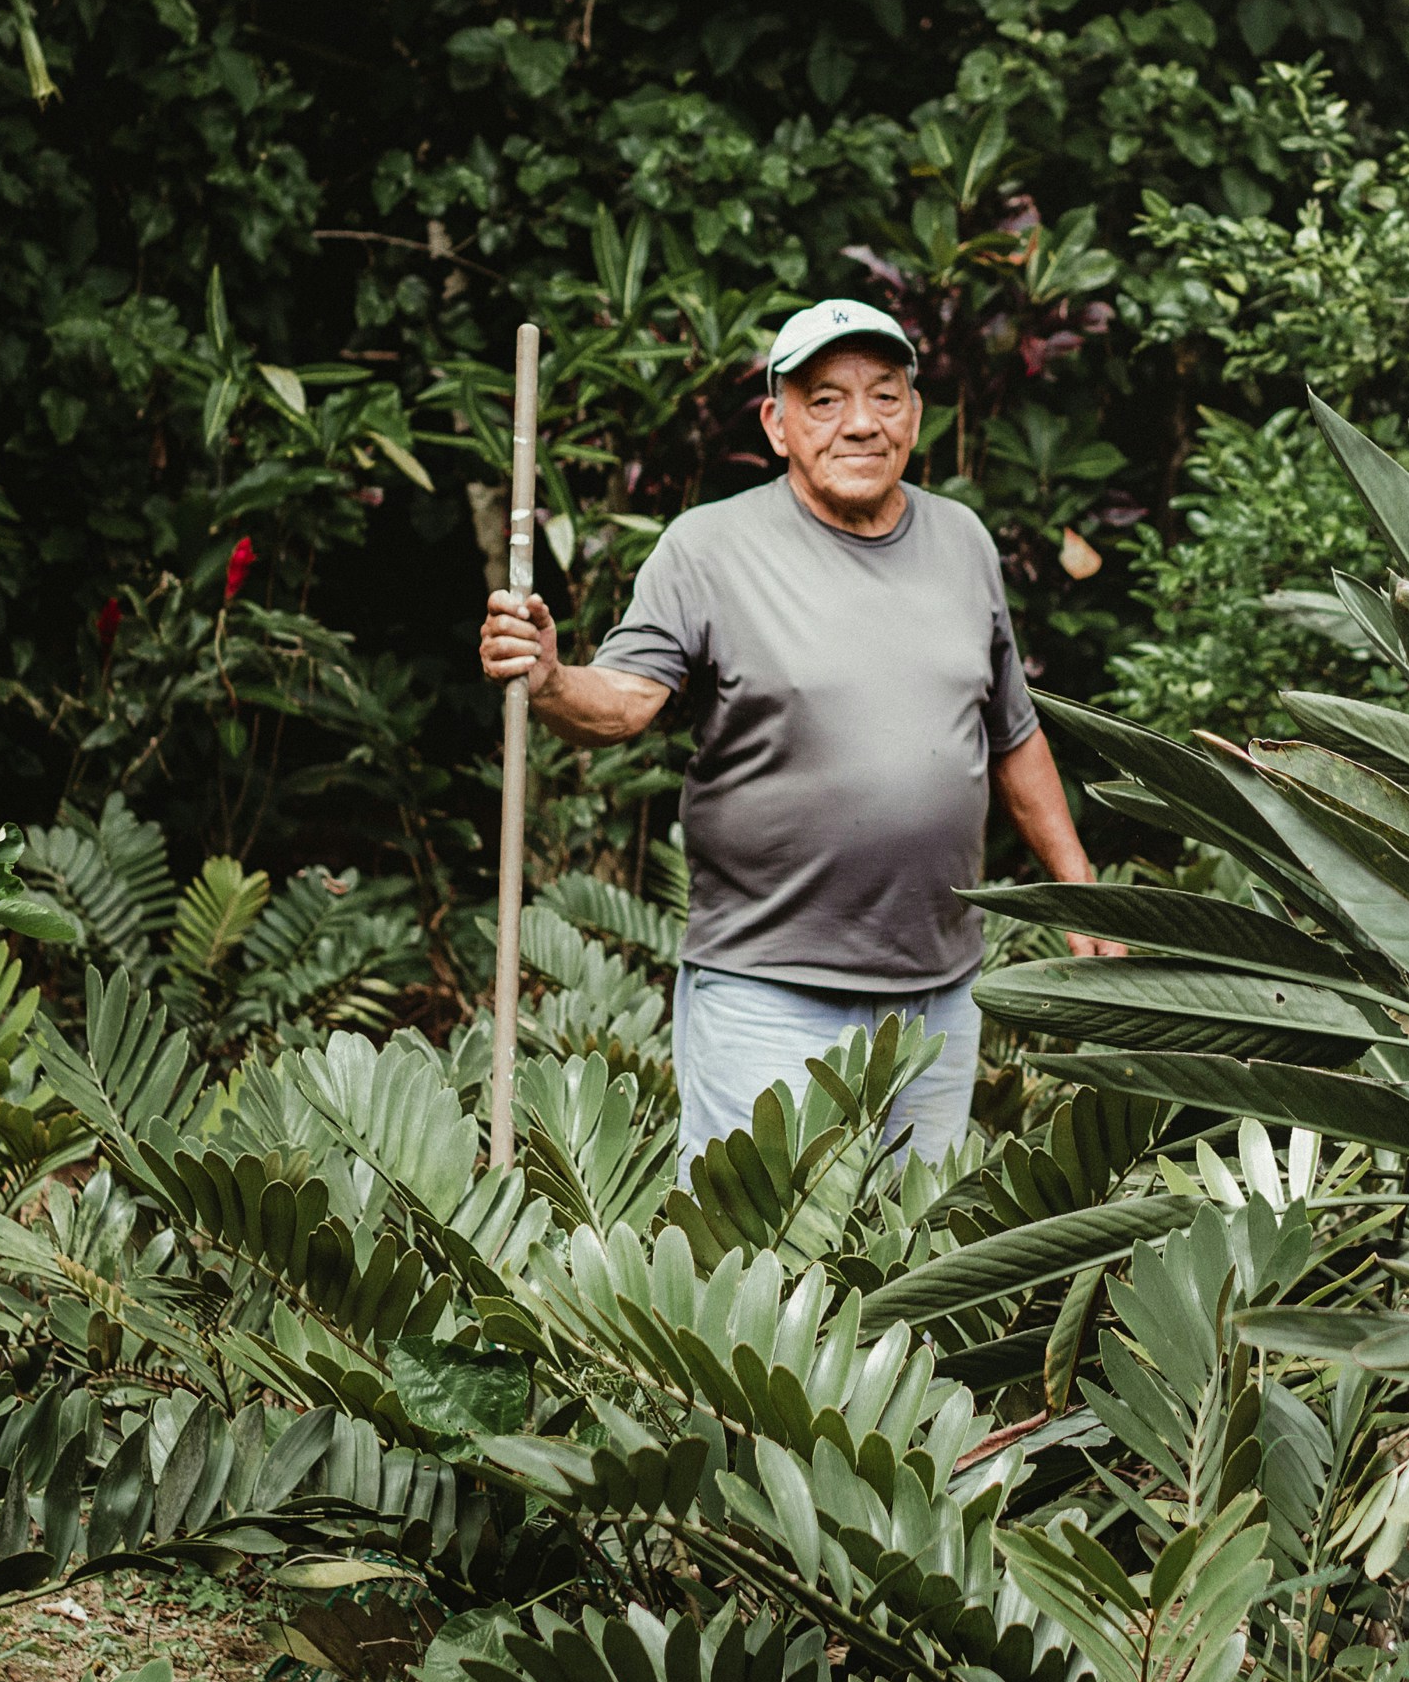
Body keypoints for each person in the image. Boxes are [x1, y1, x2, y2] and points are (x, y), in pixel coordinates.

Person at [476, 297, 1113, 1169]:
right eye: (825, 400)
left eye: (884, 396)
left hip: (938, 995)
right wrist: (550, 678)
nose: (861, 423)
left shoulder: (962, 541)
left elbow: (1012, 734)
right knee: (756, 1242)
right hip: (765, 994)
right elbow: (624, 702)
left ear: (914, 416)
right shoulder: (708, 548)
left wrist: (1077, 885)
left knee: (914, 1243)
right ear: (778, 425)